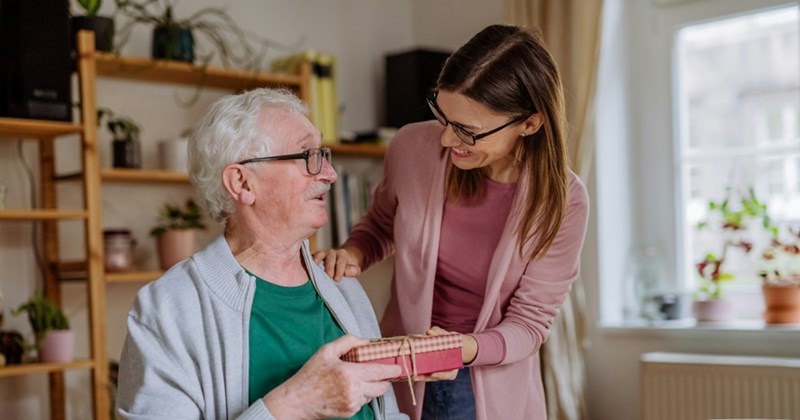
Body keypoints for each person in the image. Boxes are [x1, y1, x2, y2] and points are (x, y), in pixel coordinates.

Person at [314, 24, 590, 420]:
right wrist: (354, 254)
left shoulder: (564, 201)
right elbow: (380, 224)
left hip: (487, 383)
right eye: (443, 117)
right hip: (402, 369)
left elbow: (529, 326)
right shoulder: (412, 147)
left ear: (530, 123)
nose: (446, 140)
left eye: (467, 131)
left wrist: (460, 349)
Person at [116, 88, 408, 420]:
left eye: (324, 155)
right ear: (242, 183)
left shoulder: (342, 285)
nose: (330, 174)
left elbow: (388, 411)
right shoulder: (168, 309)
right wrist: (294, 404)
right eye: (307, 156)